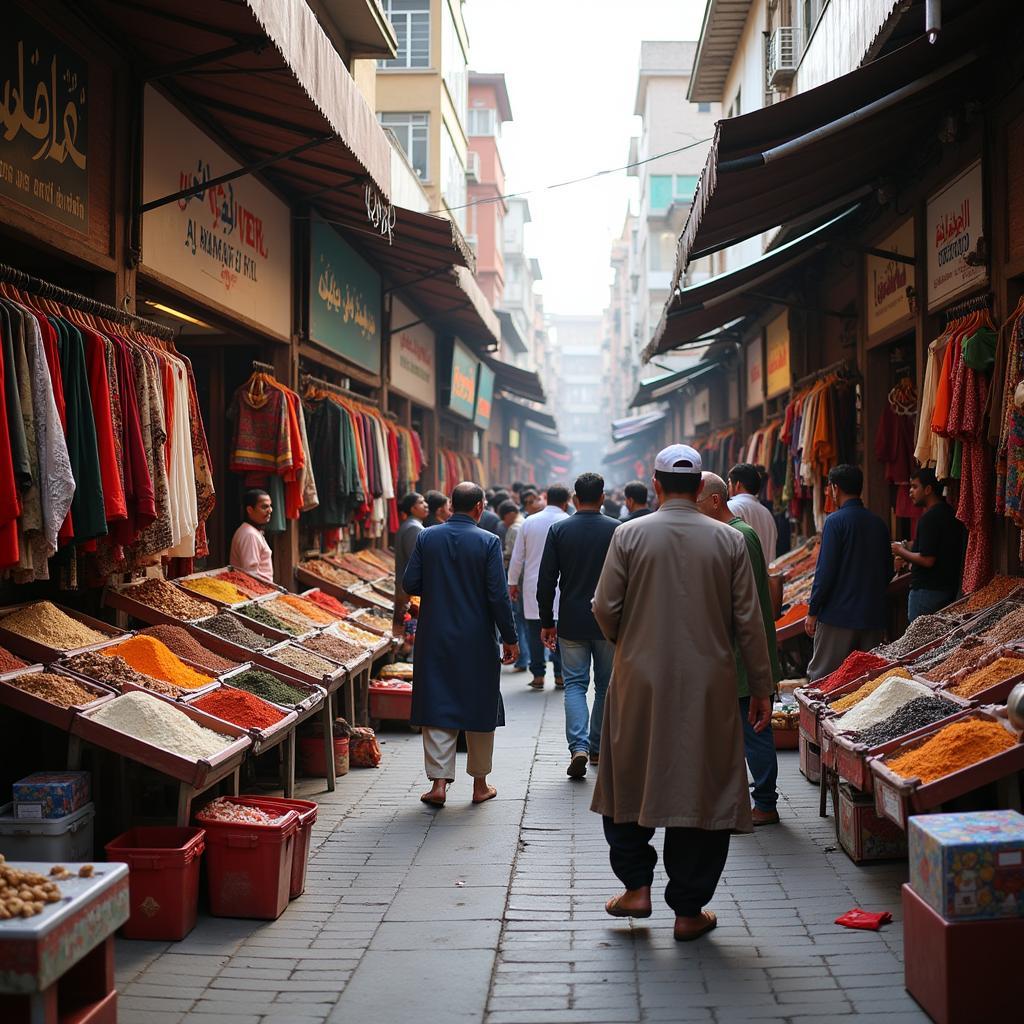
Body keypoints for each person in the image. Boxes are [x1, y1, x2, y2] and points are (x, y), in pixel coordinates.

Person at [591, 444, 772, 941]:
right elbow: (750, 624)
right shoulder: (728, 540)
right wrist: (761, 686)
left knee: (628, 779)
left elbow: (605, 608)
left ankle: (637, 887)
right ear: (699, 489)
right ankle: (688, 911)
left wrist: (630, 643)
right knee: (703, 787)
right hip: (709, 685)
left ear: (655, 484)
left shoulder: (628, 535)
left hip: (638, 681)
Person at [402, 482, 519, 807]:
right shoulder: (488, 541)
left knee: (437, 701)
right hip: (477, 638)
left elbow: (410, 582)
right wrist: (510, 637)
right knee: (479, 703)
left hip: (435, 636)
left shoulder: (428, 536)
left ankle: (438, 784)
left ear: (451, 505)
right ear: (480, 507)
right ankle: (480, 784)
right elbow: (497, 595)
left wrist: (439, 581)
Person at [698, 473, 782, 825]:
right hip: (733, 651)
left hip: (745, 654)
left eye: (697, 502)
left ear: (716, 500)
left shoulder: (739, 535)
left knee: (755, 727)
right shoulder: (729, 534)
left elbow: (745, 607)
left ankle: (764, 801)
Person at [537, 472, 618, 779]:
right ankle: (596, 747)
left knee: (574, 684)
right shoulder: (618, 530)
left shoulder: (559, 530)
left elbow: (547, 581)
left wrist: (547, 621)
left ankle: (578, 747)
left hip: (570, 619)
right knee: (605, 686)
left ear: (574, 499)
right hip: (608, 621)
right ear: (602, 497)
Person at [805, 464, 893, 680]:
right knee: (867, 682)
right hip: (872, 616)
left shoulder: (835, 522)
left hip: (838, 616)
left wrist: (813, 610)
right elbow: (888, 570)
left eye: (829, 488)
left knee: (825, 680)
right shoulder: (878, 523)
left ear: (835, 488)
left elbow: (825, 572)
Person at [508, 483, 570, 689]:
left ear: (546, 498)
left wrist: (512, 583)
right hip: (563, 586)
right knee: (560, 631)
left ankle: (538, 675)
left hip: (533, 585)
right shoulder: (568, 521)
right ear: (566, 501)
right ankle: (560, 674)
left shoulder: (529, 522)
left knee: (535, 630)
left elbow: (517, 557)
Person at [891, 467, 966, 622]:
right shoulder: (949, 513)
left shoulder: (929, 518)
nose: (910, 491)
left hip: (926, 591)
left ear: (928, 489)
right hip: (946, 588)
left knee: (920, 640)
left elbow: (927, 559)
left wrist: (899, 550)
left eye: (914, 486)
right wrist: (907, 546)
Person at [499, 498, 531, 671]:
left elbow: (513, 557)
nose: (503, 523)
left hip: (517, 580)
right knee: (526, 622)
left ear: (510, 514)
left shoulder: (514, 528)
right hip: (528, 579)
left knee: (518, 620)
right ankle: (527, 658)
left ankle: (522, 658)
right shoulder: (527, 524)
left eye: (504, 518)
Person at [727, 463, 777, 567]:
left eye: (729, 483)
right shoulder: (767, 514)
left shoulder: (730, 508)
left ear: (738, 485)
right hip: (764, 580)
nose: (728, 487)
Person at [392, 491, 428, 633]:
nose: (425, 505)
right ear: (412, 509)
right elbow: (417, 561)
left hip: (407, 585)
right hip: (409, 587)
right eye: (420, 502)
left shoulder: (412, 525)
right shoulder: (414, 528)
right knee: (407, 627)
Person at [230, 489, 274, 583]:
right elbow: (250, 574)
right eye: (264, 507)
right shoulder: (250, 535)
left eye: (270, 506)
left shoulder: (252, 531)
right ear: (250, 510)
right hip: (258, 592)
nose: (270, 510)